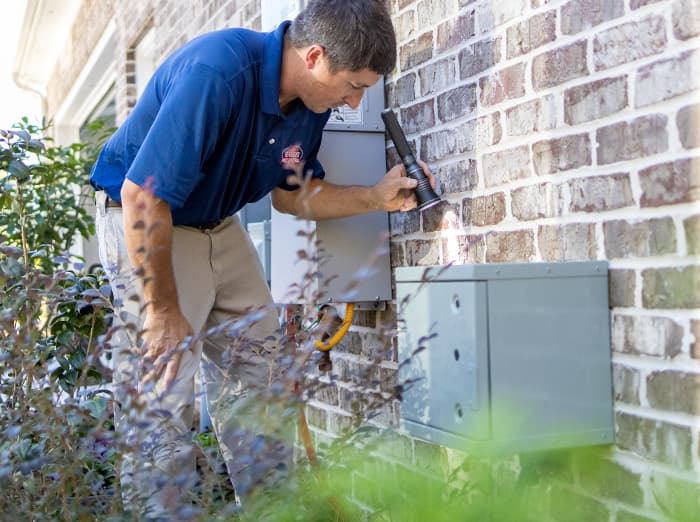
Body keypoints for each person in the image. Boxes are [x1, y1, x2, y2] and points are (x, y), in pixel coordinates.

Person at [91, 0, 434, 516]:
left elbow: (291, 194)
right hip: (147, 219)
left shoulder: (309, 107)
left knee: (264, 377)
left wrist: (375, 196)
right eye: (354, 84)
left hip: (216, 223)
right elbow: (144, 193)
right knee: (163, 398)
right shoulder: (219, 71)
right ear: (315, 56)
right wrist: (162, 312)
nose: (353, 100)